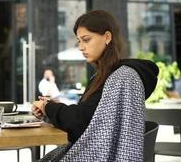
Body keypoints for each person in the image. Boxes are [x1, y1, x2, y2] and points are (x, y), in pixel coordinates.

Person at [32, 10, 159, 161]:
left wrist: (48, 107)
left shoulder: (121, 77)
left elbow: (78, 122)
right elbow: (86, 118)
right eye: (79, 41)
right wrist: (48, 110)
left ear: (107, 37)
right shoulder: (103, 76)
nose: (81, 47)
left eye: (86, 40)